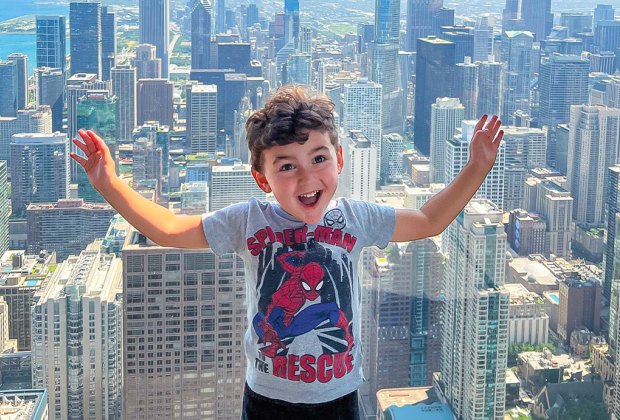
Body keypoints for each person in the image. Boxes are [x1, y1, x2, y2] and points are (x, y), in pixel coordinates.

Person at [71, 85, 503, 420]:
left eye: (318, 158)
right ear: (263, 179)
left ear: (339, 159)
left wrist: (477, 166)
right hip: (268, 399)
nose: (306, 177)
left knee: (331, 316)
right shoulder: (249, 221)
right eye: (287, 166)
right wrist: (109, 183)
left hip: (339, 397)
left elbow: (429, 221)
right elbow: (169, 229)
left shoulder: (357, 218)